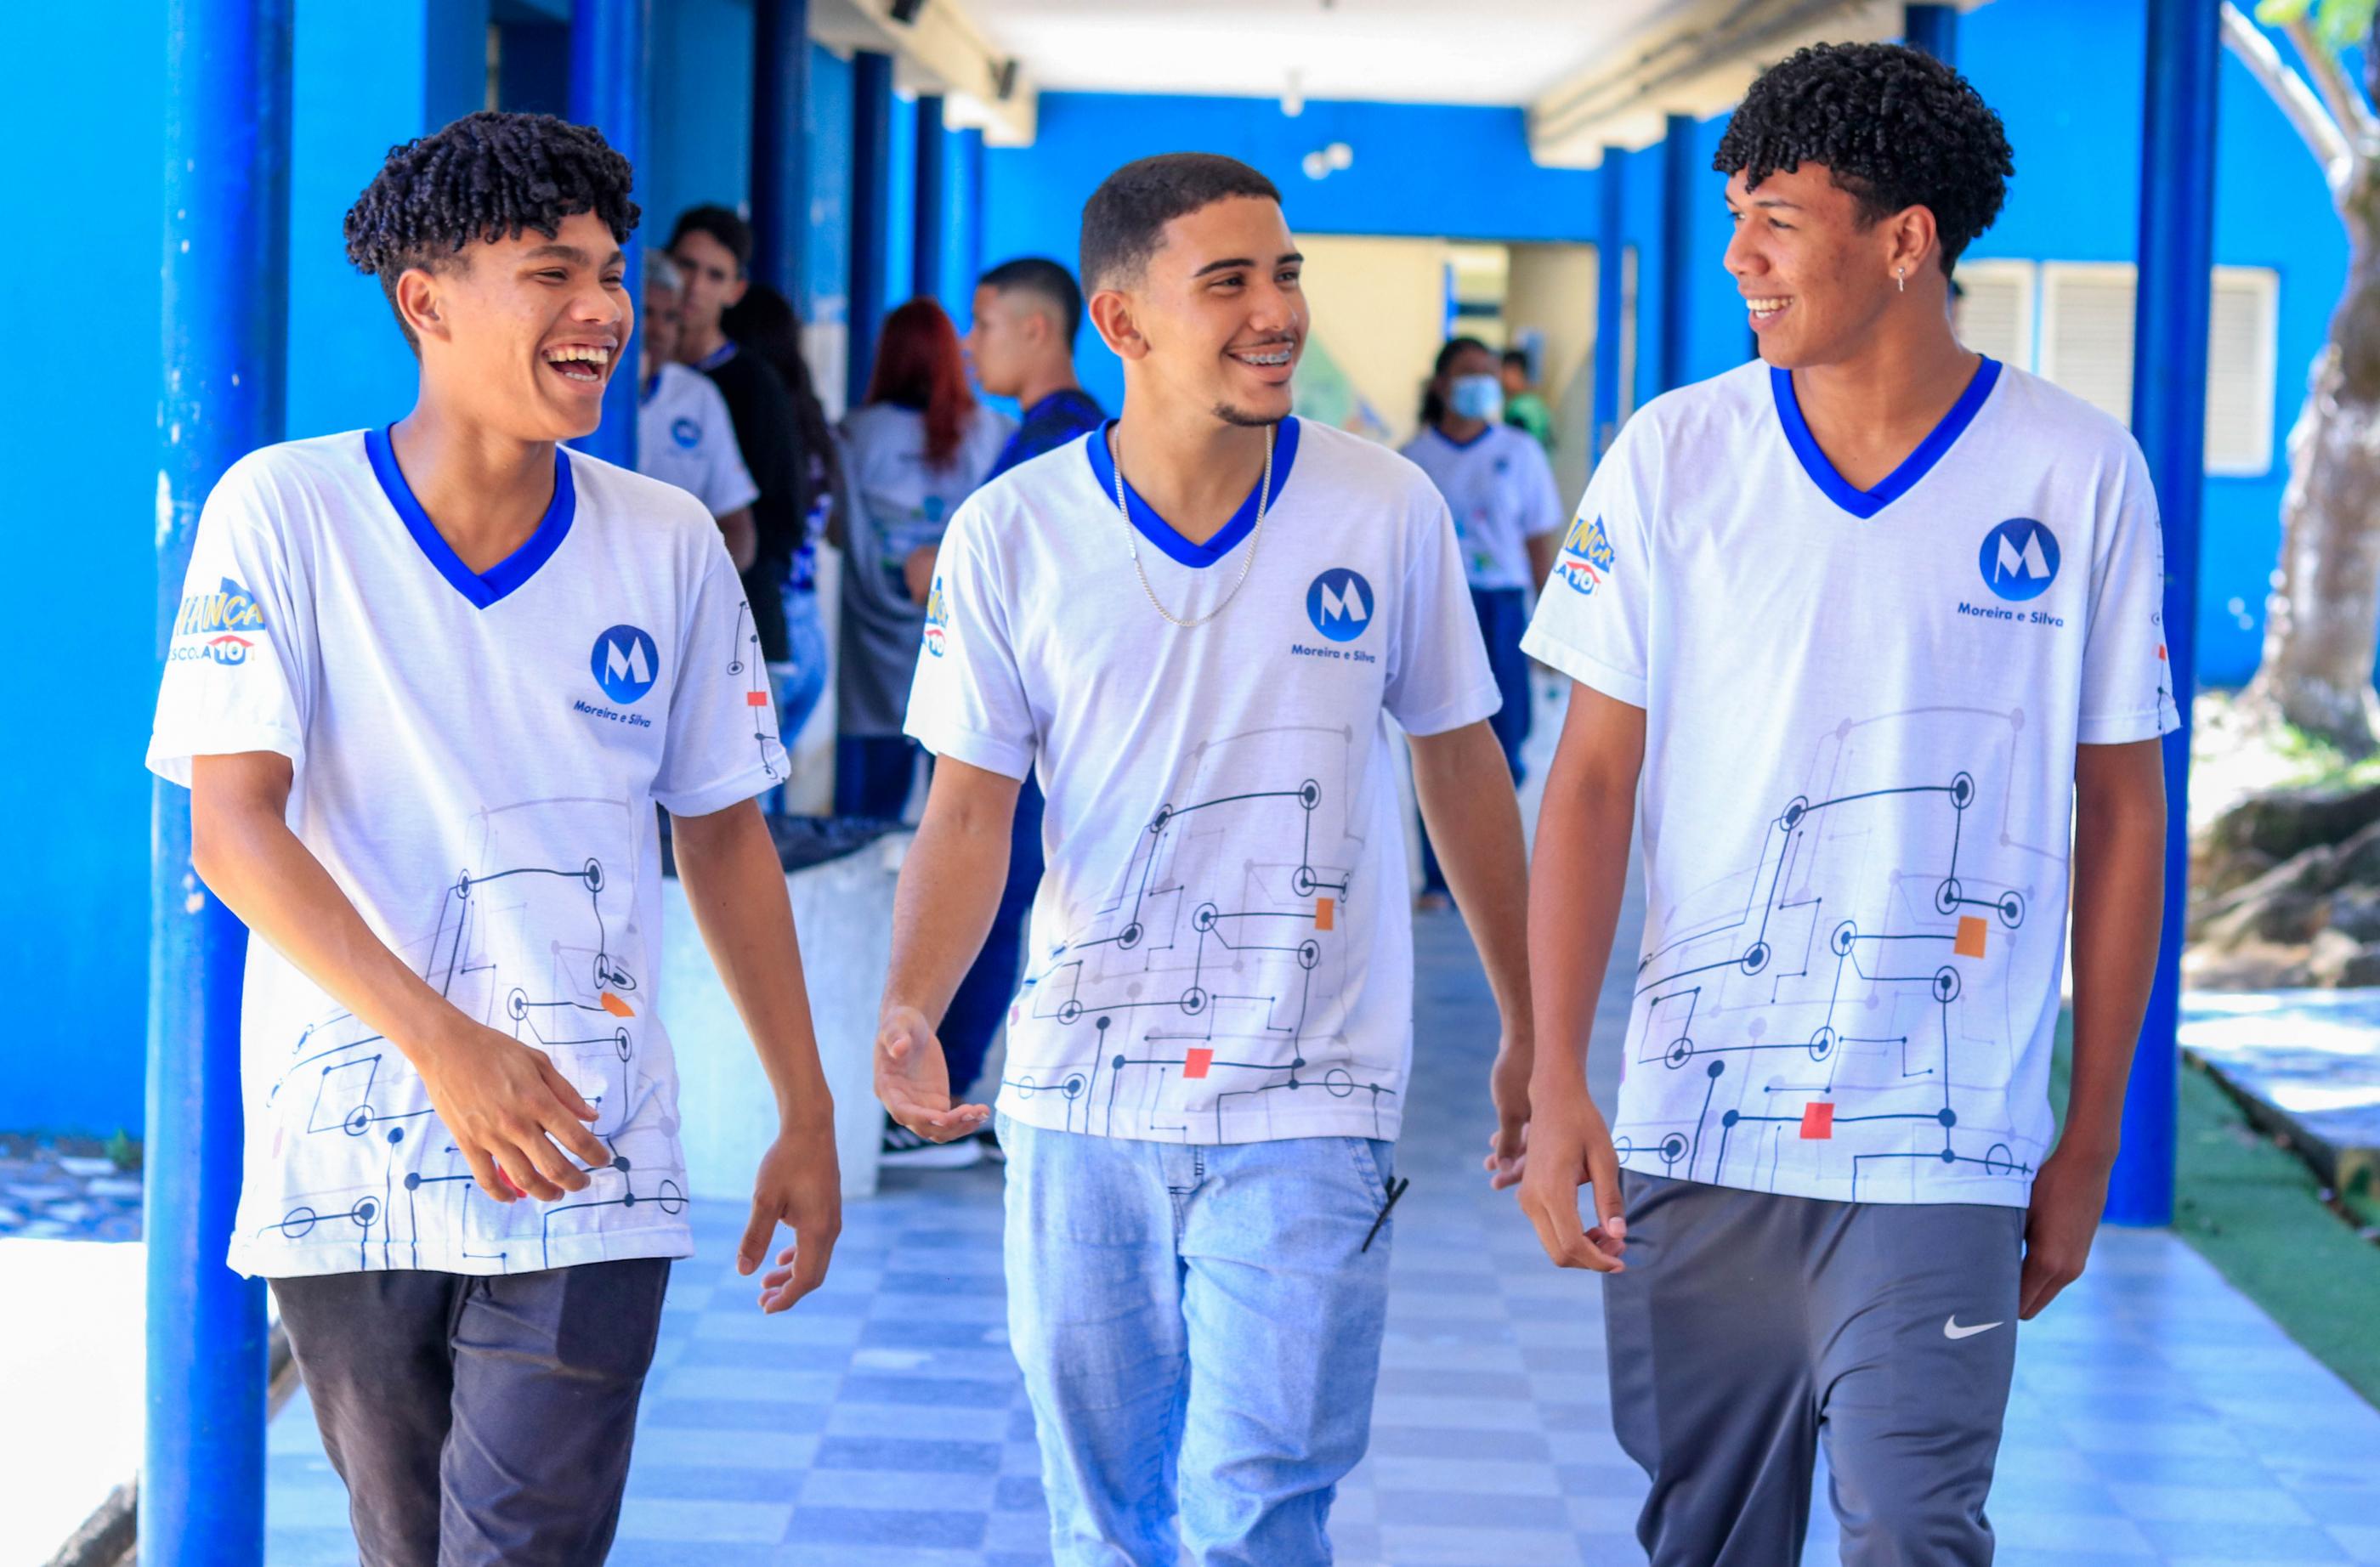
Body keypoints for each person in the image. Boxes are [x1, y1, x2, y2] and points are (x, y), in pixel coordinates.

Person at [145, 111, 842, 1564]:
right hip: (351, 1156)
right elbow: (233, 829)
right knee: (409, 1545)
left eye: (612, 273)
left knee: (520, 1546)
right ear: (428, 301)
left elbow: (724, 839)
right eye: (552, 274)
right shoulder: (284, 512)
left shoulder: (668, 543)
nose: (603, 308)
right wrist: (445, 1045)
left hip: (592, 1152)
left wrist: (806, 1105)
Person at [1516, 43, 2173, 1567]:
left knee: (1913, 1532)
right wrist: (1557, 1078)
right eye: (1733, 218)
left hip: (1943, 1142)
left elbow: (2125, 815)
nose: (1738, 258)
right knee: (1707, 1539)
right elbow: (1593, 781)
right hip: (1699, 1127)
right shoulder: (1673, 456)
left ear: (1904, 240)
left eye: (1778, 221)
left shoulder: (2078, 472)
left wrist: (2089, 1136)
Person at [878, 152, 1536, 1565]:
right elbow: (971, 808)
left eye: (1285, 274)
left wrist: (1530, 1020)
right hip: (1078, 1096)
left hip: (1315, 1090)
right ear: (1120, 322)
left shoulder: (1386, 509)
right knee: (1105, 1522)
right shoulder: (1013, 533)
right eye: (1227, 282)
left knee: (1260, 1511)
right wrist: (913, 1002)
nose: (1275, 311)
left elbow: (1459, 761)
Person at [893, 256, 1114, 1172]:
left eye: (982, 324)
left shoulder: (1063, 439)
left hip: (1025, 733)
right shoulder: (1045, 433)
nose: (967, 344)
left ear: (1036, 328)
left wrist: (932, 567)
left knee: (990, 891)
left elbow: (997, 571)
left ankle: (945, 1098)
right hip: (1017, 724)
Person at [1401, 336, 1565, 904]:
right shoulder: (1413, 458)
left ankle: (1485, 861)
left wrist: (1550, 624)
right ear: (1442, 385)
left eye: (1489, 374)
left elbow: (1539, 539)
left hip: (1503, 609)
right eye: (1470, 373)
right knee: (1439, 739)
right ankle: (1439, 878)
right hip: (1439, 609)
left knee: (1509, 740)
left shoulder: (1520, 452)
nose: (1482, 385)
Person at [835, 297, 1010, 822]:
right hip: (960, 630)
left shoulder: (855, 433)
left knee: (873, 799)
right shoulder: (996, 432)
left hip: (875, 640)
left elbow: (840, 529)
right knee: (956, 789)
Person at [667, 205, 810, 728]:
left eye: (714, 275)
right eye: (686, 266)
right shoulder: (629, 378)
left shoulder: (754, 387)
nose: (694, 286)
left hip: (738, 633)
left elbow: (781, 522)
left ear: (735, 290)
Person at [723, 279, 844, 758]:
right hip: (809, 628)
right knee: (768, 783)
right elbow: (834, 530)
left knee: (750, 789)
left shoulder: (755, 419)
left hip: (770, 626)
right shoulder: (814, 426)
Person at [637, 249, 759, 574]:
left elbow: (739, 532)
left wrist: (689, 584)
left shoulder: (698, 396)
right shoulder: (577, 392)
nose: (658, 331)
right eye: (646, 312)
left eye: (670, 317)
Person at [1499, 346, 1555, 451]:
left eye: (1503, 372)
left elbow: (1516, 447)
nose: (1500, 378)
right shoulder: (1535, 402)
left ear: (1514, 370)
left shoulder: (1520, 409)